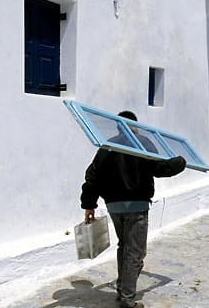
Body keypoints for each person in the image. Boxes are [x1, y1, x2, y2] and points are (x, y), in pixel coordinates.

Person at [80, 110, 187, 308]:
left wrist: (89, 204)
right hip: (136, 206)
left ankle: (123, 289)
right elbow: (159, 168)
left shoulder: (107, 146)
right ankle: (127, 300)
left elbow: (92, 177)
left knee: (124, 246)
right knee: (135, 252)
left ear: (118, 126)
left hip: (113, 206)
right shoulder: (142, 144)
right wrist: (180, 163)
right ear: (135, 128)